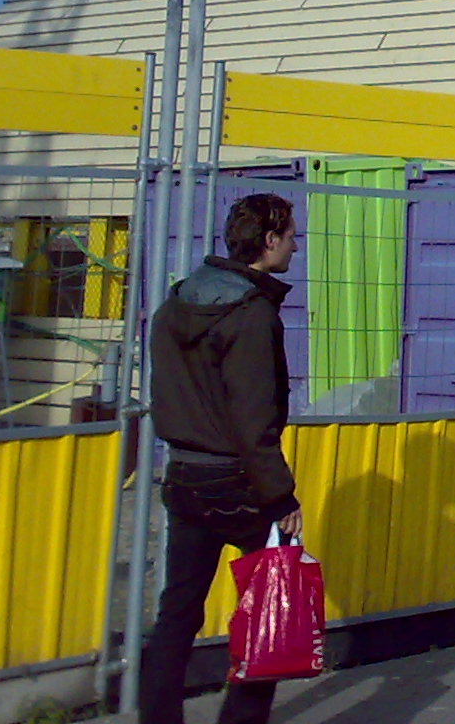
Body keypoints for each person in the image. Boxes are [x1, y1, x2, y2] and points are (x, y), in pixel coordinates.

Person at [142, 194, 303, 724]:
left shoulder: (175, 304)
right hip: (238, 481)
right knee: (270, 613)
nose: (296, 247)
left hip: (184, 474)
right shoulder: (251, 315)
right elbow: (255, 419)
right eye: (292, 237)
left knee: (177, 614)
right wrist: (281, 497)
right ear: (270, 240)